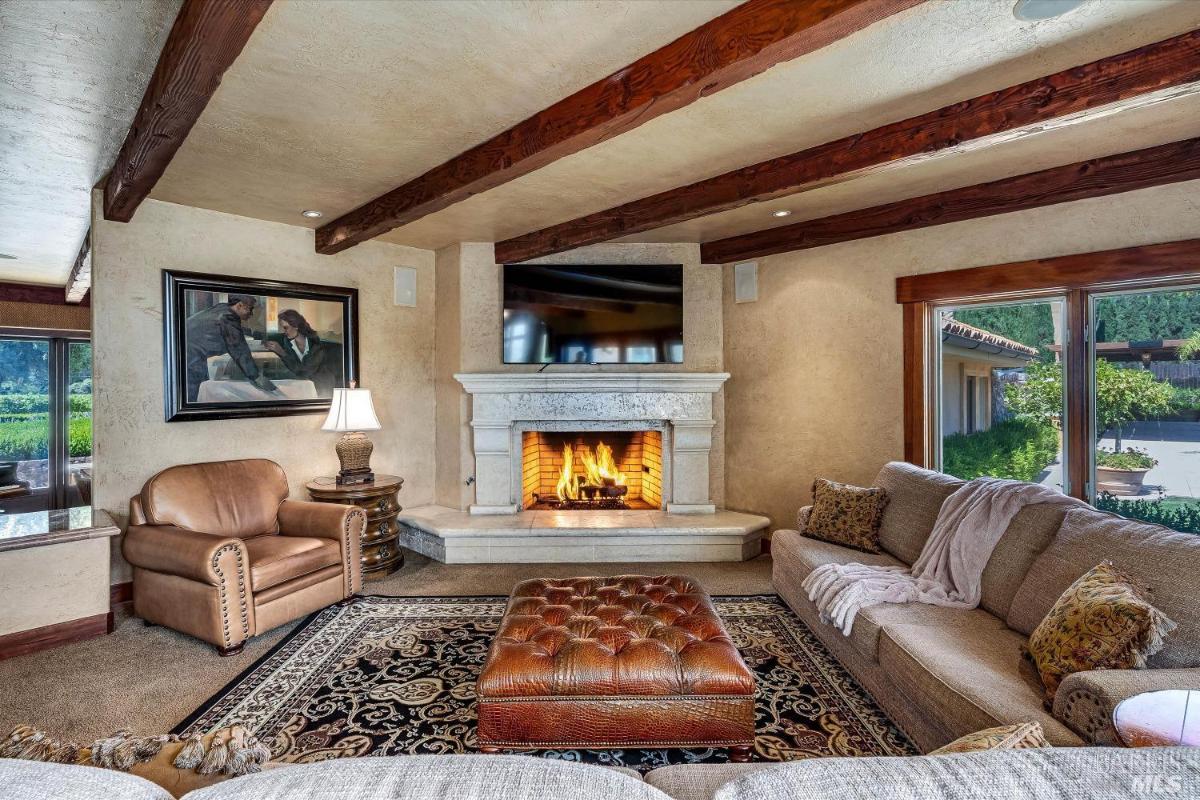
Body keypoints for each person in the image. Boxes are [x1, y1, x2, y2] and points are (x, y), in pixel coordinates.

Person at [184, 294, 277, 402]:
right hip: (191, 356)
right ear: (239, 305)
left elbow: (234, 329)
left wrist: (255, 334)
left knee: (200, 389)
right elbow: (240, 350)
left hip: (188, 350)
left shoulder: (223, 309)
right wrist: (256, 377)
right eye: (250, 309)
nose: (251, 314)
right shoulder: (228, 318)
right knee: (195, 393)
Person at [264, 309, 344, 396]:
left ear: (296, 326)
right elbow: (265, 336)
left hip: (324, 390)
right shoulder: (288, 342)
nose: (283, 331)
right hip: (307, 388)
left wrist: (282, 353)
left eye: (285, 328)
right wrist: (264, 340)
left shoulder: (317, 345)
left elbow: (304, 371)